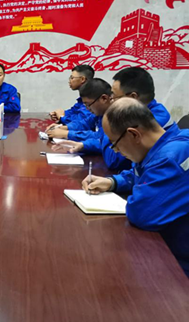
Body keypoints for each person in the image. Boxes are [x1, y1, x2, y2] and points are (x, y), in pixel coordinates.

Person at [81, 98, 189, 275]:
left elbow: (142, 213)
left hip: (178, 261)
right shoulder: (166, 143)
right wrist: (113, 182)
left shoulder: (172, 158)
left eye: (115, 144)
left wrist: (136, 193)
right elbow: (140, 173)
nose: (116, 151)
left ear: (133, 135)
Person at [51, 78, 131, 171]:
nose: (87, 108)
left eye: (115, 97)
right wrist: (65, 128)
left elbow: (112, 159)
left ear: (104, 98)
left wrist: (68, 134)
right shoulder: (100, 112)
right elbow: (86, 123)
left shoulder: (119, 118)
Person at [48, 65, 97, 137]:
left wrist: (62, 117)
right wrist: (60, 114)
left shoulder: (91, 98)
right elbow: (74, 112)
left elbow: (83, 123)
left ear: (82, 79)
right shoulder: (82, 99)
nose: (69, 81)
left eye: (72, 78)